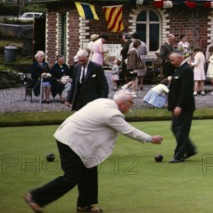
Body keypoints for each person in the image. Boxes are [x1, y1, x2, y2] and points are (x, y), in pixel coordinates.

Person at [24, 91, 163, 213]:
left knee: (89, 169)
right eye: (131, 104)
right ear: (124, 103)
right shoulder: (112, 114)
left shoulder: (103, 101)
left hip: (73, 138)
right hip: (70, 141)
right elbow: (129, 131)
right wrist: (150, 138)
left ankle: (84, 205)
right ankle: (35, 197)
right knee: (71, 177)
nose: (131, 107)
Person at [167, 51, 197, 163]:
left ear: (180, 58)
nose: (171, 63)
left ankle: (179, 156)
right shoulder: (179, 69)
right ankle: (190, 149)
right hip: (177, 106)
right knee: (176, 129)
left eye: (173, 60)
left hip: (184, 107)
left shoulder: (186, 69)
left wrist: (179, 106)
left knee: (180, 130)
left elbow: (186, 90)